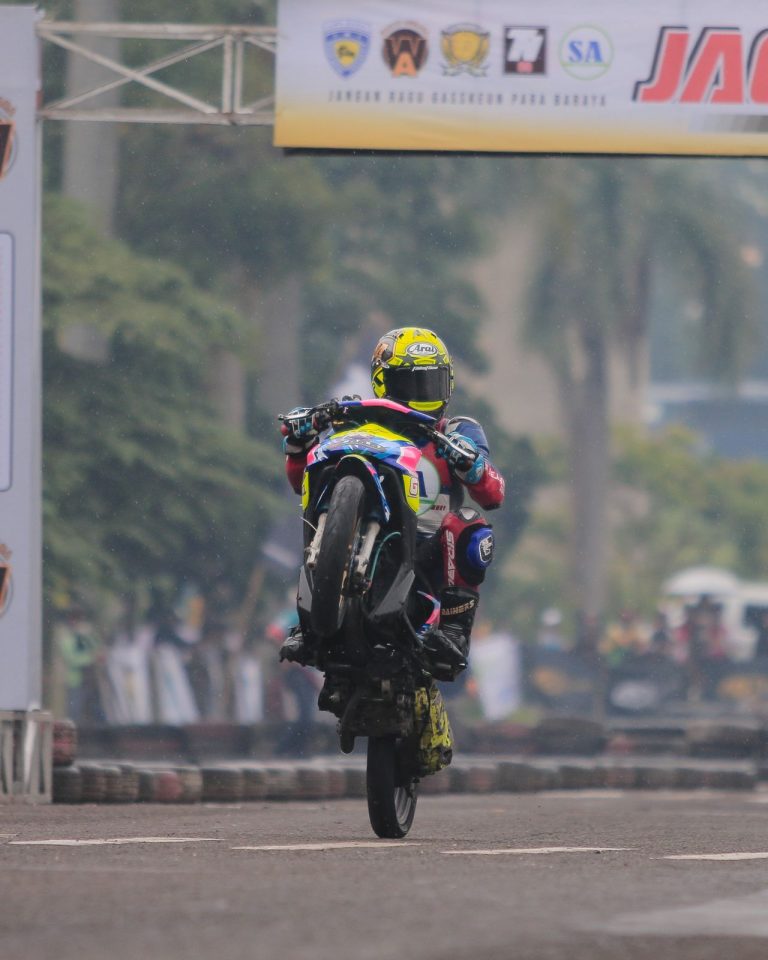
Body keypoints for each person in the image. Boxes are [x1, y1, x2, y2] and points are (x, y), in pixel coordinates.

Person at [279, 326, 505, 678]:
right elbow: (299, 483)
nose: (421, 393)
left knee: (471, 525)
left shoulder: (457, 429)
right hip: (362, 537)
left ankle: (453, 631)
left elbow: (493, 493)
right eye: (409, 383)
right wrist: (299, 443)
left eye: (430, 382)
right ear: (383, 380)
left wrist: (472, 464)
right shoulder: (353, 419)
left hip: (427, 551)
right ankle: (309, 614)